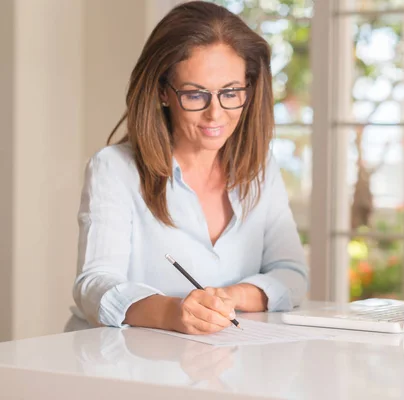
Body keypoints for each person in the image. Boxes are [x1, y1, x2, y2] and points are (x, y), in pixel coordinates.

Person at [69, 1, 308, 335]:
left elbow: (291, 274)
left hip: (220, 362)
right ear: (164, 92)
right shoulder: (115, 169)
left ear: (249, 89)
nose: (216, 114)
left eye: (231, 92)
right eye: (196, 95)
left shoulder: (261, 167)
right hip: (120, 366)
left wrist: (227, 297)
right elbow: (93, 286)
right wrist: (172, 311)